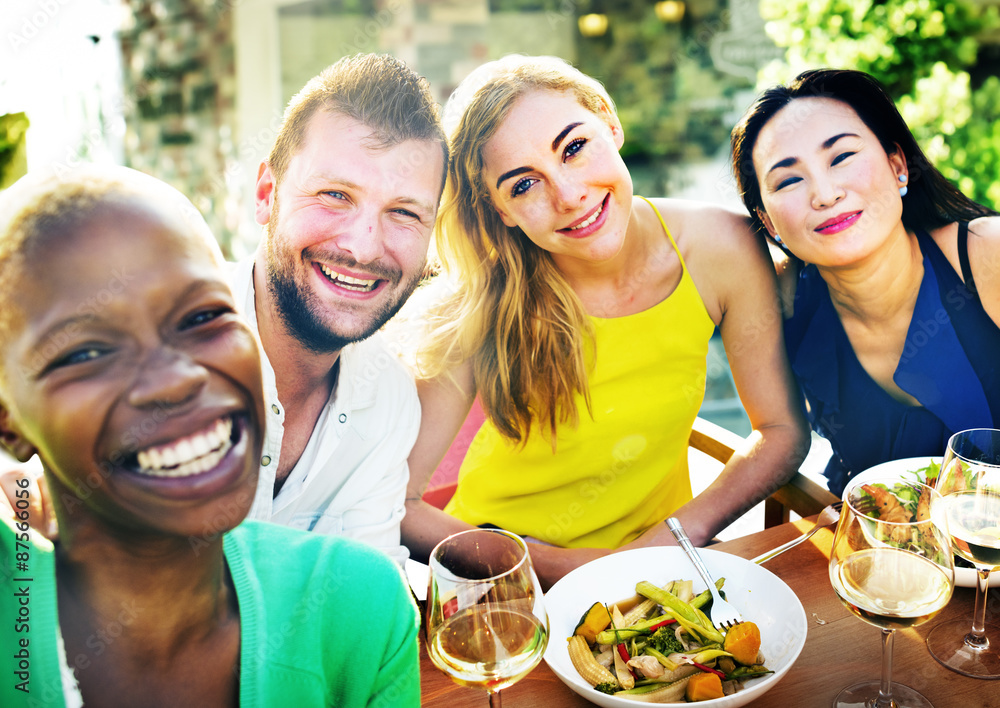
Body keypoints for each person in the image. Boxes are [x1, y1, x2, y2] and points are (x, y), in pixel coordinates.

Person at [1, 52, 448, 564]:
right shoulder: (151, 358)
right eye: (335, 195)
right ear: (266, 194)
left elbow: (364, 593)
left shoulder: (389, 400)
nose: (364, 247)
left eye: (405, 213)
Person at [0, 165, 420, 707]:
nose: (177, 378)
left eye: (203, 316)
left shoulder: (359, 611)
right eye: (87, 352)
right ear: (7, 419)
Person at [401, 55, 810, 588]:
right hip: (502, 576)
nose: (568, 196)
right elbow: (396, 500)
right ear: (501, 210)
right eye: (523, 186)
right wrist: (545, 566)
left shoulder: (724, 248)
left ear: (608, 122)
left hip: (660, 572)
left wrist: (671, 541)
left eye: (574, 148)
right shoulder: (484, 298)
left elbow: (781, 432)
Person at [730, 68, 1000, 496]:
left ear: (897, 166)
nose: (825, 193)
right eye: (788, 180)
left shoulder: (986, 256)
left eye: (841, 157)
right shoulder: (781, 301)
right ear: (768, 222)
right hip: (881, 551)